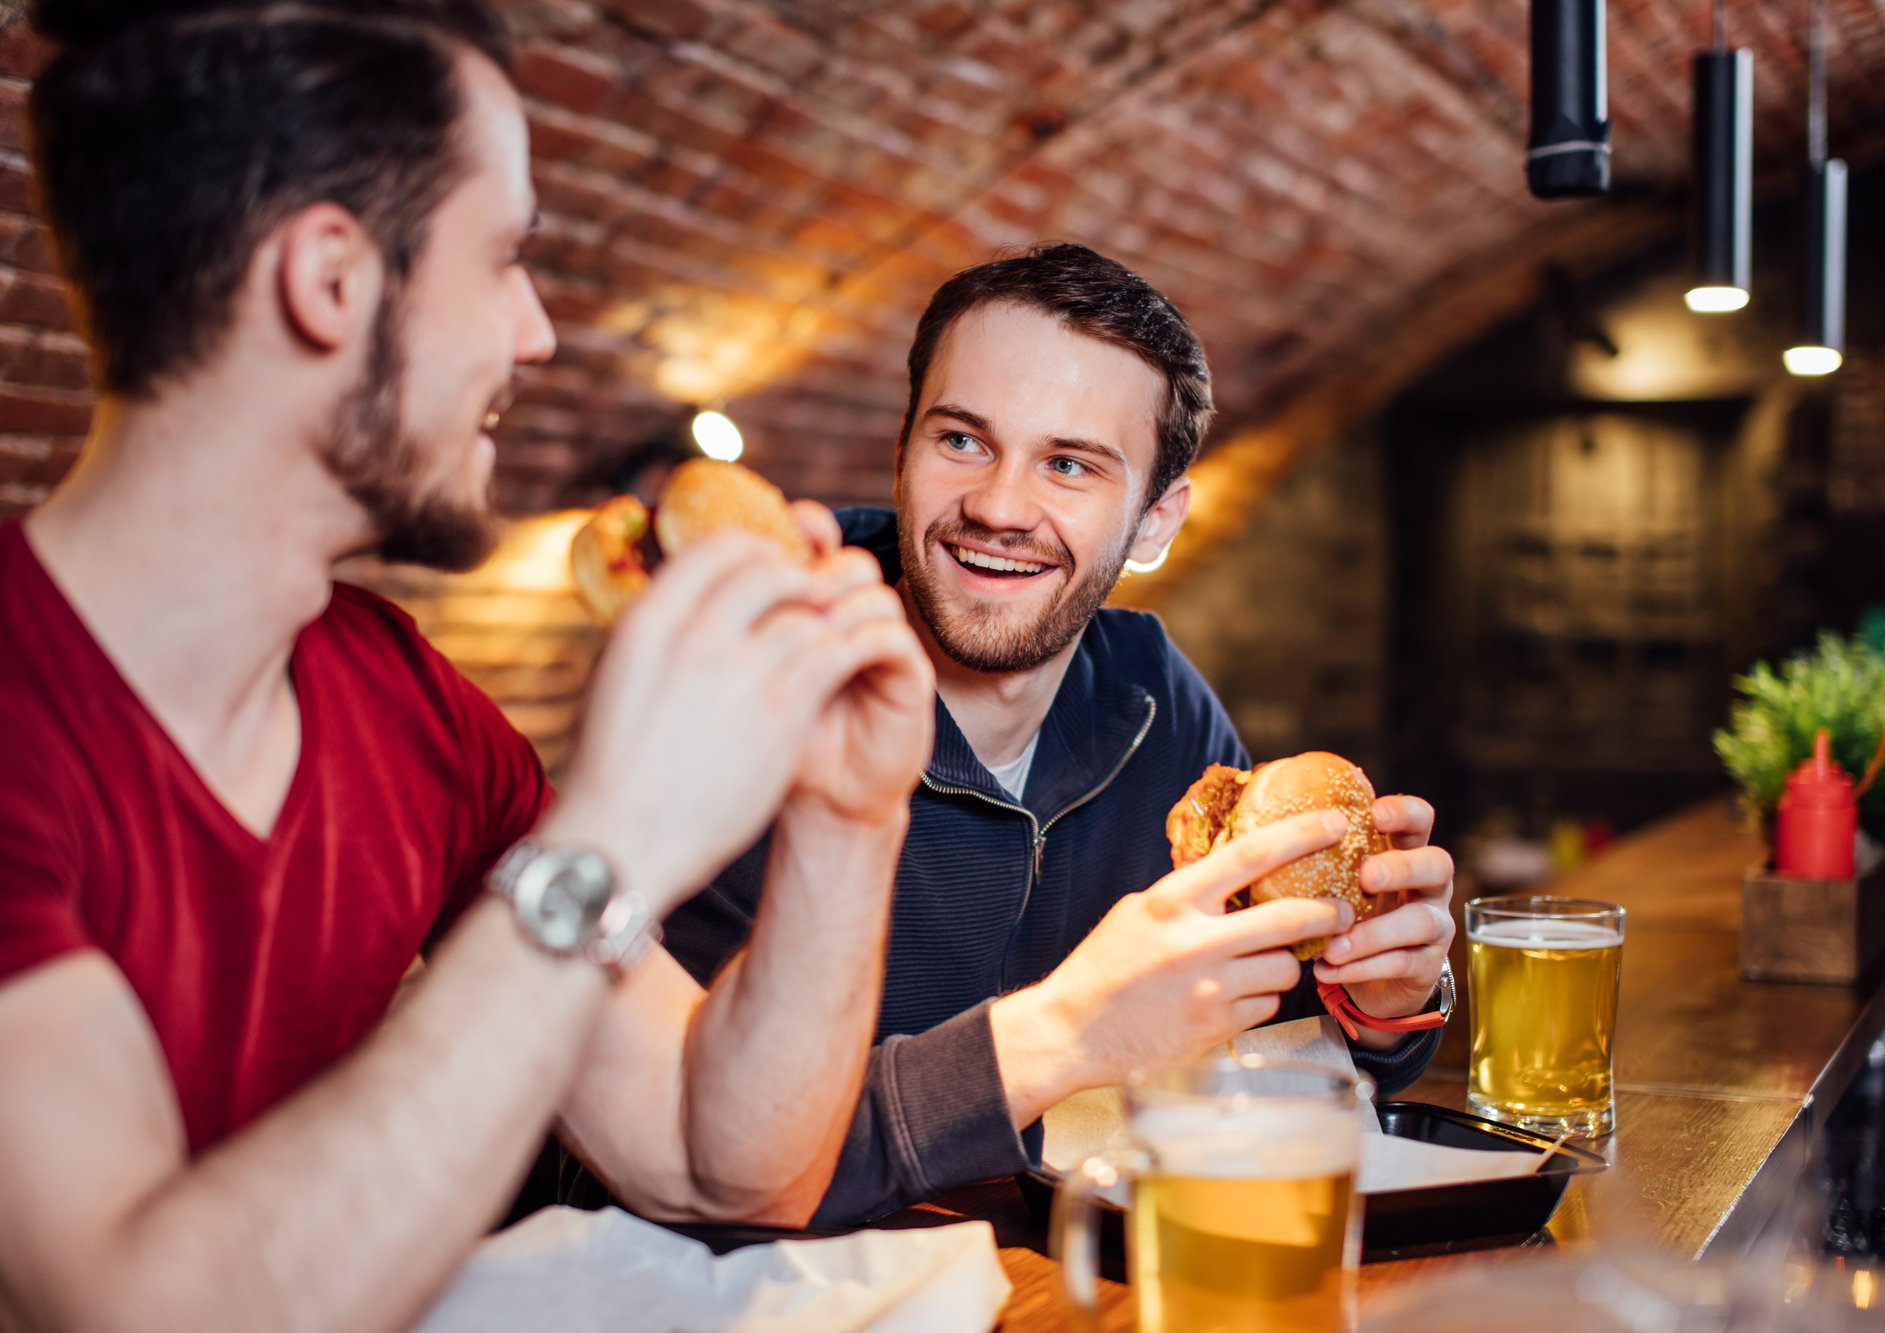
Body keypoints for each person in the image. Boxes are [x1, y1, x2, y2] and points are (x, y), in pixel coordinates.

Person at [0, 4, 988, 1330]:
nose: (537, 334)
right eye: (505, 258)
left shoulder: (405, 703)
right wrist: (617, 835)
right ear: (330, 281)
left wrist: (847, 818)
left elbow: (726, 1159)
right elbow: (140, 1306)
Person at [660, 244, 1458, 1224]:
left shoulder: (1156, 698)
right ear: (903, 447)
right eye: (960, 441)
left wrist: (1381, 1004)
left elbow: (1268, 1059)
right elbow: (667, 1158)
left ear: (1154, 520)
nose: (997, 506)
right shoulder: (745, 691)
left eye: (1069, 463)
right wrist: (1057, 1035)